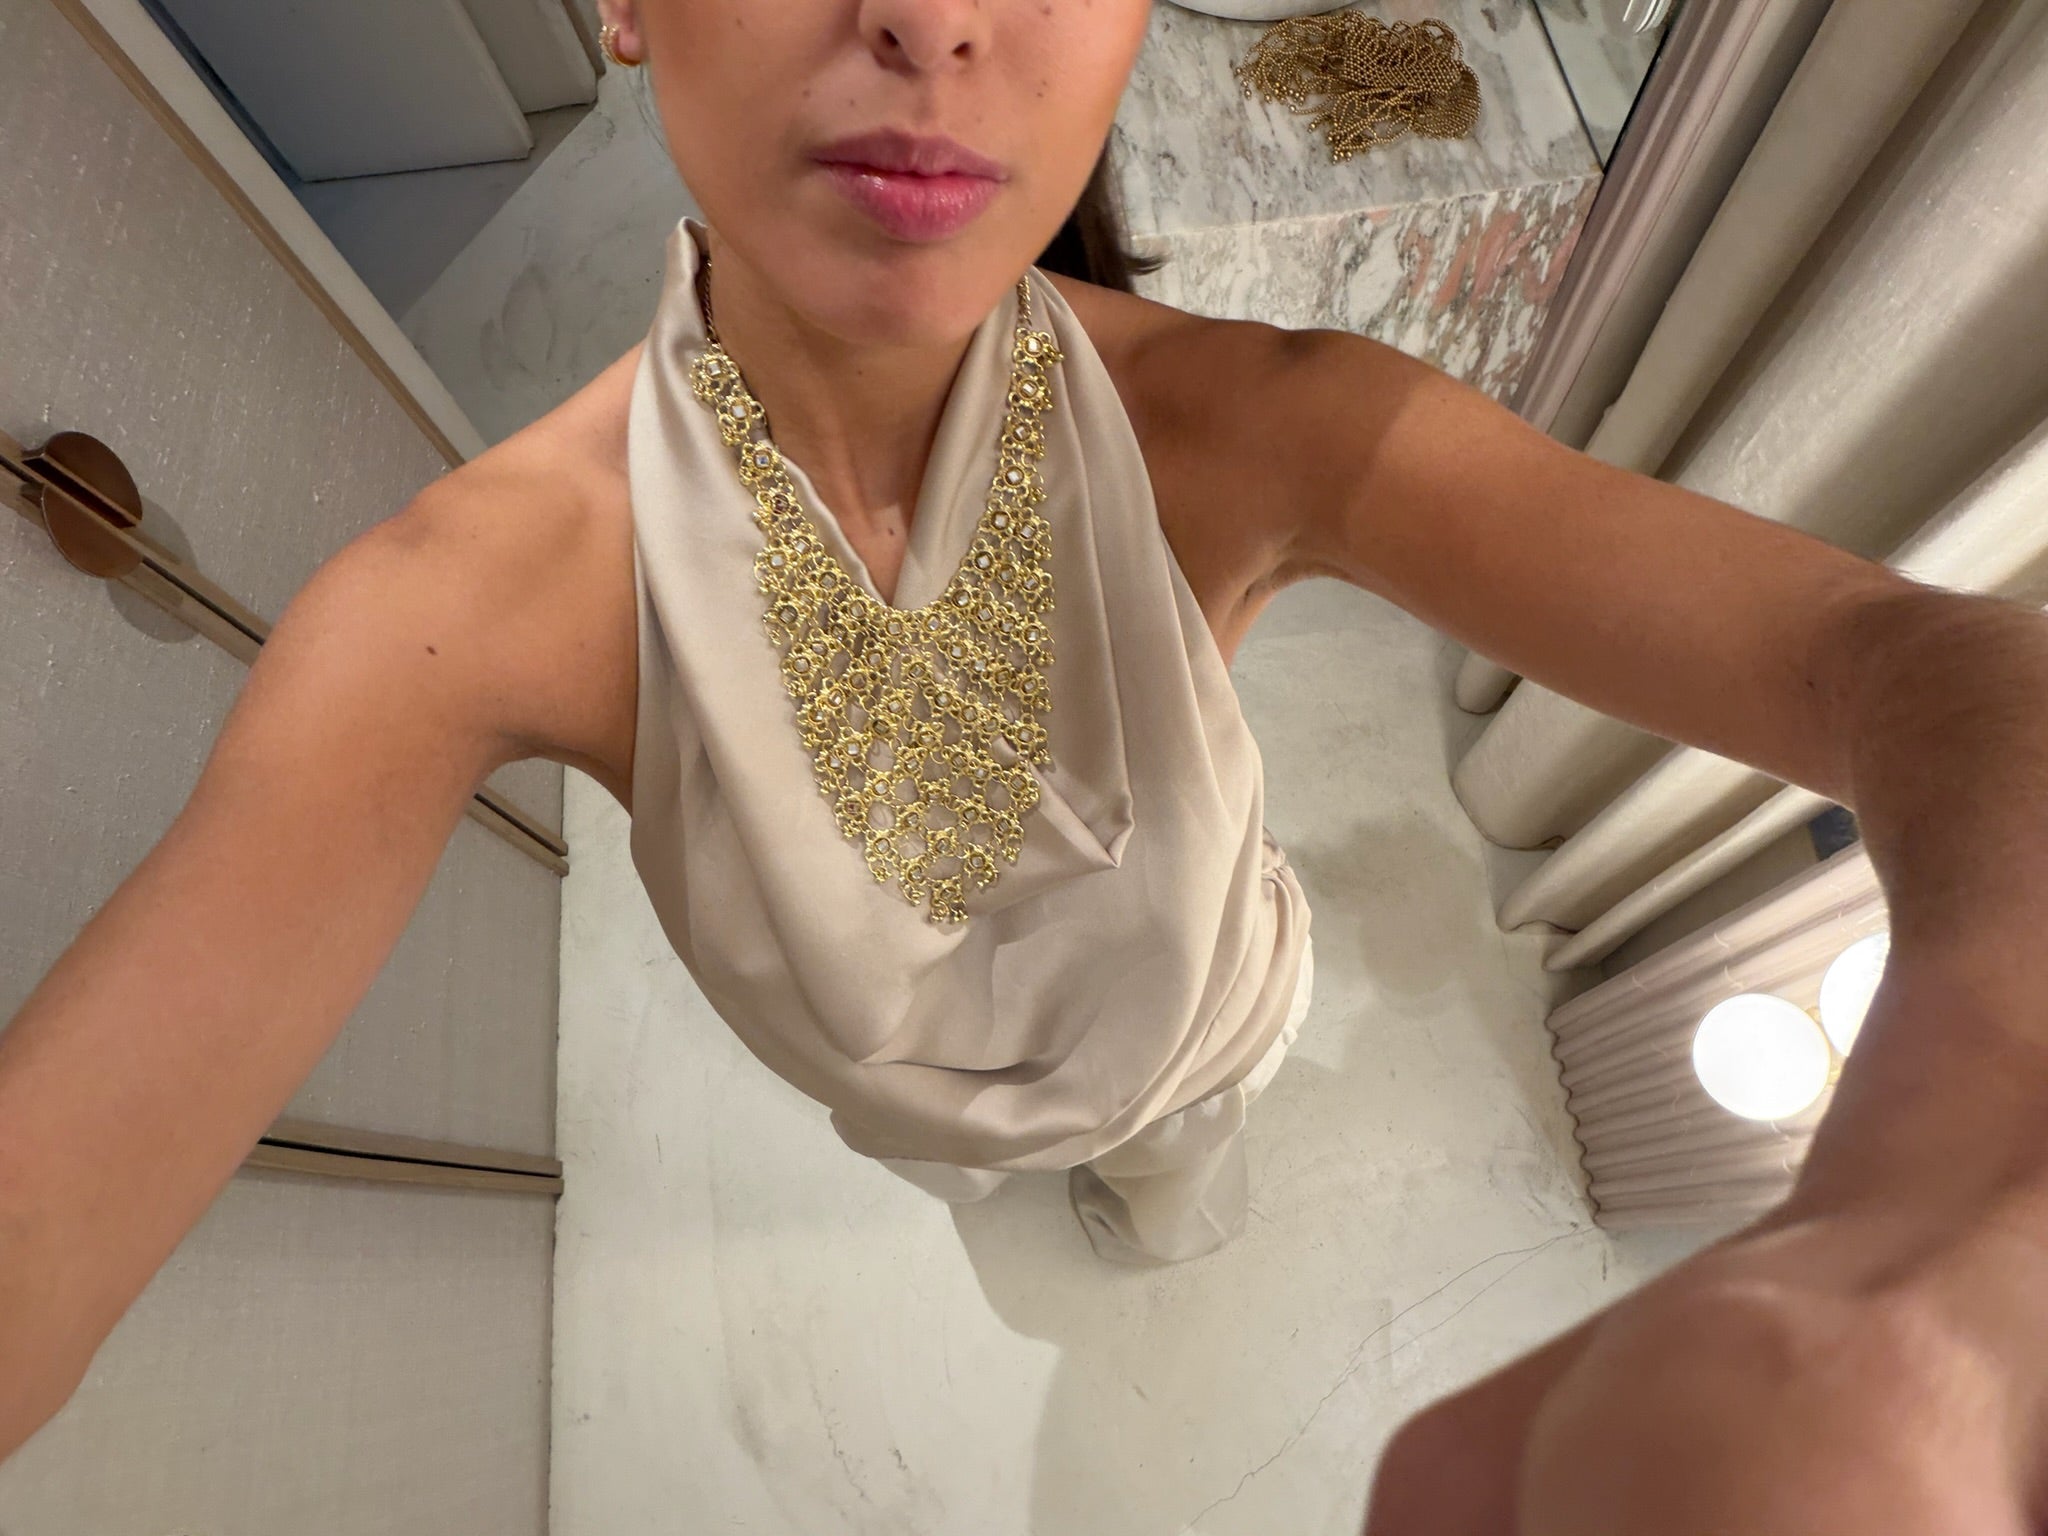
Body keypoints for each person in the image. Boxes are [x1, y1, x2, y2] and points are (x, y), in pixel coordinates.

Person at [3, 1, 2045, 1527]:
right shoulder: (467, 605)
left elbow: (1896, 663)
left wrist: (1928, 1236)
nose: (933, 18)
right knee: (1000, 1190)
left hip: (1206, 1013)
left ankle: (1154, 1189)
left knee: (1177, 1181)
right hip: (909, 1106)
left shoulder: (1263, 427)